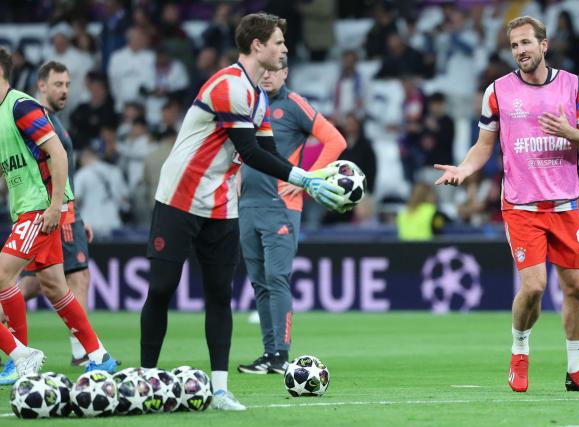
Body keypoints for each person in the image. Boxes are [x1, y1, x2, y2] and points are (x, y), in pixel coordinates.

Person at [139, 12, 346, 411]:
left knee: (220, 295)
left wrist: (307, 177)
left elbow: (268, 152)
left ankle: (219, 389)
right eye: (279, 42)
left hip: (220, 204)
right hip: (179, 198)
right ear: (258, 46)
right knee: (162, 289)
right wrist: (306, 179)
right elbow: (250, 153)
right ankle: (147, 380)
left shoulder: (259, 97)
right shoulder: (229, 86)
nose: (285, 49)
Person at [433, 16, 579, 392]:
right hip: (522, 206)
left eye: (526, 43)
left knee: (575, 287)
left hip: (564, 204)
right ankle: (519, 351)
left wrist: (568, 132)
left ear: (544, 45)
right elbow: (484, 145)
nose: (520, 51)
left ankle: (577, 371)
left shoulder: (572, 86)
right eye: (514, 45)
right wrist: (464, 169)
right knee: (535, 286)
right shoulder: (497, 91)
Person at [0, 50, 118, 384]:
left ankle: (20, 355)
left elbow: (58, 153)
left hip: (41, 210)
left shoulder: (20, 106)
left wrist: (55, 207)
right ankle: (98, 355)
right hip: (30, 209)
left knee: (3, 277)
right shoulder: (2, 114)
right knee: (54, 286)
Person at [236, 57, 346, 374]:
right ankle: (269, 354)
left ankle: (280, 355)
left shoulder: (293, 104)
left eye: (275, 70)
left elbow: (336, 140)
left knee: (276, 278)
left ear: (286, 72)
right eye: (264, 69)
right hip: (247, 204)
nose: (268, 75)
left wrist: (308, 179)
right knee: (259, 282)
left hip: (280, 206)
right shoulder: (247, 103)